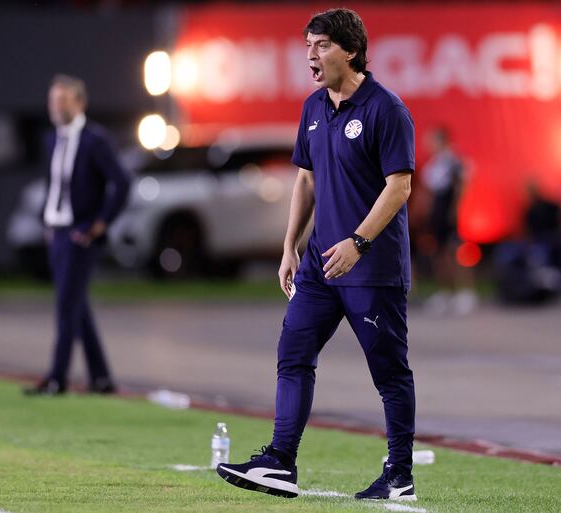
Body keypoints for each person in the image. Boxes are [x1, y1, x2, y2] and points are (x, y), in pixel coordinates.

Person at [216, 8, 417, 501]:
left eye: (322, 45)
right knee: (293, 353)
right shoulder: (312, 108)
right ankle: (281, 461)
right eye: (308, 45)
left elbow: (399, 187)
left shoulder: (385, 109)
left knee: (389, 372)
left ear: (351, 50)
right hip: (319, 267)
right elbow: (305, 179)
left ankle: (400, 476)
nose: (311, 54)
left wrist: (358, 242)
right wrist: (289, 246)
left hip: (371, 266)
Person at [24, 74, 130, 396]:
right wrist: (48, 219)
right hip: (57, 231)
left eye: (63, 100)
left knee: (66, 306)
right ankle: (101, 378)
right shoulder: (52, 138)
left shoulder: (94, 139)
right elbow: (54, 183)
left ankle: (57, 378)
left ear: (79, 103)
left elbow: (121, 182)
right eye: (53, 100)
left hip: (80, 234)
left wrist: (100, 223)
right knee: (76, 307)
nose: (55, 106)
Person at [420, 128, 476, 315]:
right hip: (437, 212)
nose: (429, 145)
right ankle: (446, 291)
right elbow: (430, 190)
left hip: (449, 212)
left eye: (432, 141)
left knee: (456, 252)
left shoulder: (453, 161)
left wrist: (454, 210)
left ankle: (465, 292)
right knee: (439, 253)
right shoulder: (433, 164)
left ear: (442, 141)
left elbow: (461, 186)